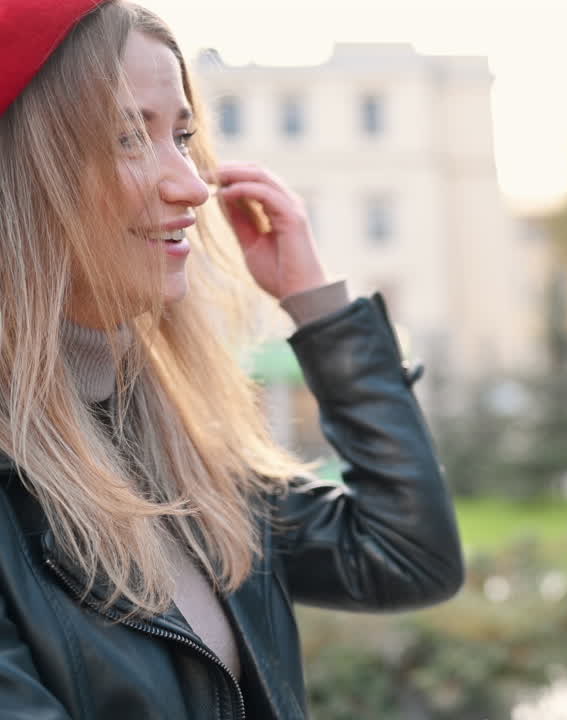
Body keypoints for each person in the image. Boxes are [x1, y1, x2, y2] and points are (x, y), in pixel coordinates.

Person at [0, 1, 464, 717]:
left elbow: (403, 557)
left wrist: (318, 306)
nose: (191, 184)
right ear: (25, 176)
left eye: (182, 136)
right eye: (130, 137)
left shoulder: (170, 441)